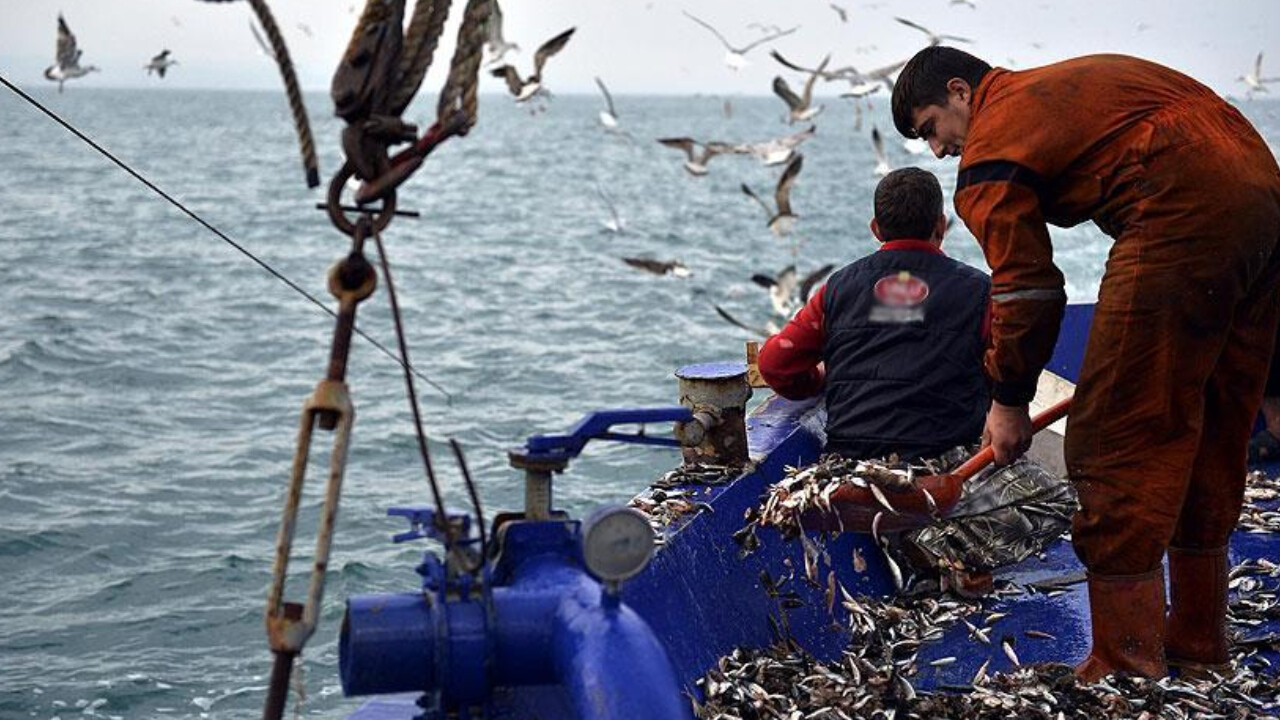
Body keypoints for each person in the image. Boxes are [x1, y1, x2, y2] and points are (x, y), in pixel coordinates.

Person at [890, 47, 1280, 681]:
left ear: (960, 92)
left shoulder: (995, 135)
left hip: (1179, 206)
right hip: (1263, 190)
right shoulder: (1069, 87)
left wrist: (1009, 400)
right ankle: (1199, 646)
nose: (936, 150)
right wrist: (1272, 379)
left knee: (1111, 442)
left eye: (931, 127)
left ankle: (1126, 663)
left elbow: (1028, 291)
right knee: (1212, 428)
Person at [758, 167, 992, 461]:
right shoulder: (979, 291)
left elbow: (774, 364)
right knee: (1059, 500)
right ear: (941, 226)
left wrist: (820, 381)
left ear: (876, 229)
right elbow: (1009, 366)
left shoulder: (837, 288)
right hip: (946, 461)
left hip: (851, 462)